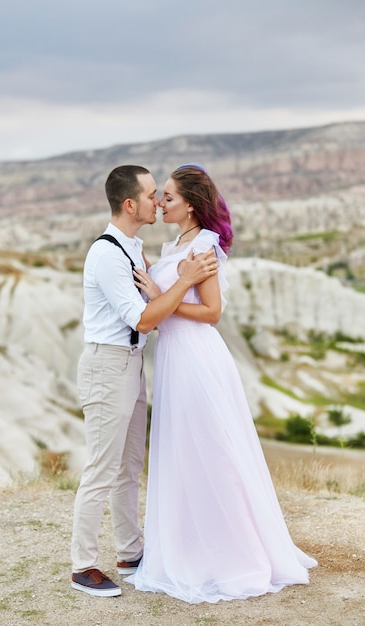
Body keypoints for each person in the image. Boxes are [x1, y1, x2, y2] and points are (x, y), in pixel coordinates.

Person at [128, 164, 318, 604]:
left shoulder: (206, 246)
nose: (160, 202)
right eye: (161, 196)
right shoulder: (177, 243)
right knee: (183, 452)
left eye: (168, 197)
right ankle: (192, 545)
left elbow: (212, 312)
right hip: (175, 357)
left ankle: (234, 554)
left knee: (212, 450)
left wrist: (161, 298)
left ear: (191, 206)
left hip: (197, 357)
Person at [71, 164, 218, 598]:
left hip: (129, 363)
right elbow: (144, 318)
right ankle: (82, 567)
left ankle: (130, 553)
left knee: (129, 465)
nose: (159, 201)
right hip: (106, 365)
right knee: (102, 467)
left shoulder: (132, 248)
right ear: (130, 203)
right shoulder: (106, 254)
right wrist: (186, 280)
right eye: (153, 194)